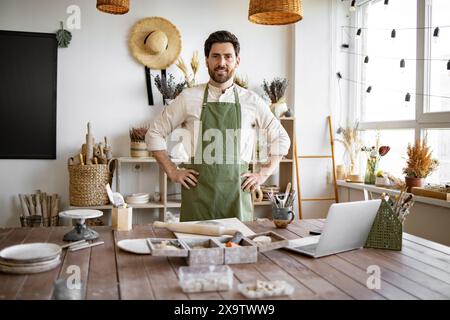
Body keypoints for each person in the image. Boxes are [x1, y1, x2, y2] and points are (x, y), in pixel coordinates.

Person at [146, 30, 290, 222]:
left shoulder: (251, 101)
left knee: (238, 248)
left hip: (236, 197)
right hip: (198, 197)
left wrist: (262, 175)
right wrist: (173, 171)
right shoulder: (189, 97)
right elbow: (154, 133)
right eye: (215, 56)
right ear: (207, 61)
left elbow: (282, 139)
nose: (221, 63)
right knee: (195, 248)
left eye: (228, 57)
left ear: (237, 61)